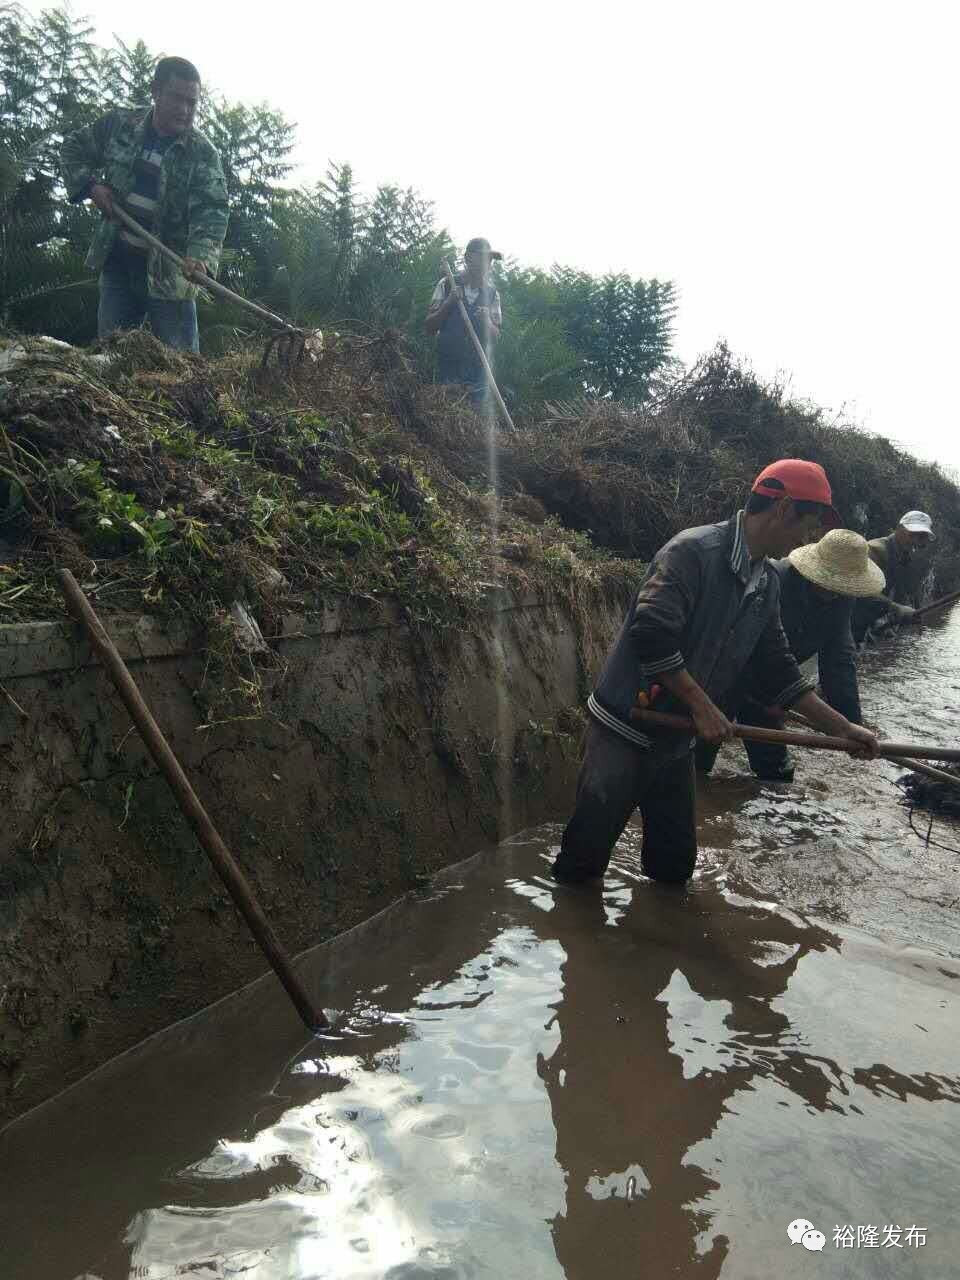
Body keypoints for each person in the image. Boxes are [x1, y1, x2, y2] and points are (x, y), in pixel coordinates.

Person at [551, 460, 880, 887]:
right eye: (809, 525)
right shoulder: (693, 553)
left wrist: (843, 728)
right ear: (782, 509)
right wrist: (703, 708)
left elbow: (779, 670)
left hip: (675, 739)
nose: (807, 538)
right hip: (628, 726)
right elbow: (651, 634)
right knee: (582, 864)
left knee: (673, 869)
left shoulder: (767, 582)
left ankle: (649, 948)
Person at [60, 56, 229, 353]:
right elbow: (73, 148)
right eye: (177, 98)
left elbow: (211, 211)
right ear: (156, 91)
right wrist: (91, 187)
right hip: (119, 264)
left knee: (184, 370)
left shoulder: (203, 154)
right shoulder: (120, 124)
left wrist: (200, 256)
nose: (185, 110)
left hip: (170, 277)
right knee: (110, 357)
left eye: (192, 102)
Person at [696, 527, 886, 782]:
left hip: (776, 688)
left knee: (777, 776)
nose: (833, 592)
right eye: (829, 584)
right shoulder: (773, 578)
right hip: (723, 681)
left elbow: (839, 661)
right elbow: (748, 647)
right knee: (696, 764)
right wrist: (788, 697)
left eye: (840, 588)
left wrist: (850, 726)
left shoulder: (842, 601)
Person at [425, 237, 503, 407]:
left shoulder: (492, 295)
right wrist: (449, 303)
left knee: (474, 424)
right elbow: (429, 327)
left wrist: (487, 322)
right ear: (468, 258)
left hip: (478, 373)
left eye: (490, 259)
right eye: (483, 257)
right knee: (445, 415)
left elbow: (496, 336)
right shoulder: (446, 285)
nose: (487, 263)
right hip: (447, 369)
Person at [852, 510, 934, 640]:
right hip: (847, 619)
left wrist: (888, 621)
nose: (915, 540)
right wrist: (897, 608)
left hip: (864, 621)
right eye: (912, 534)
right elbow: (862, 590)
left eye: (921, 537)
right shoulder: (875, 550)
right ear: (899, 529)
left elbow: (897, 594)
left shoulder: (904, 557)